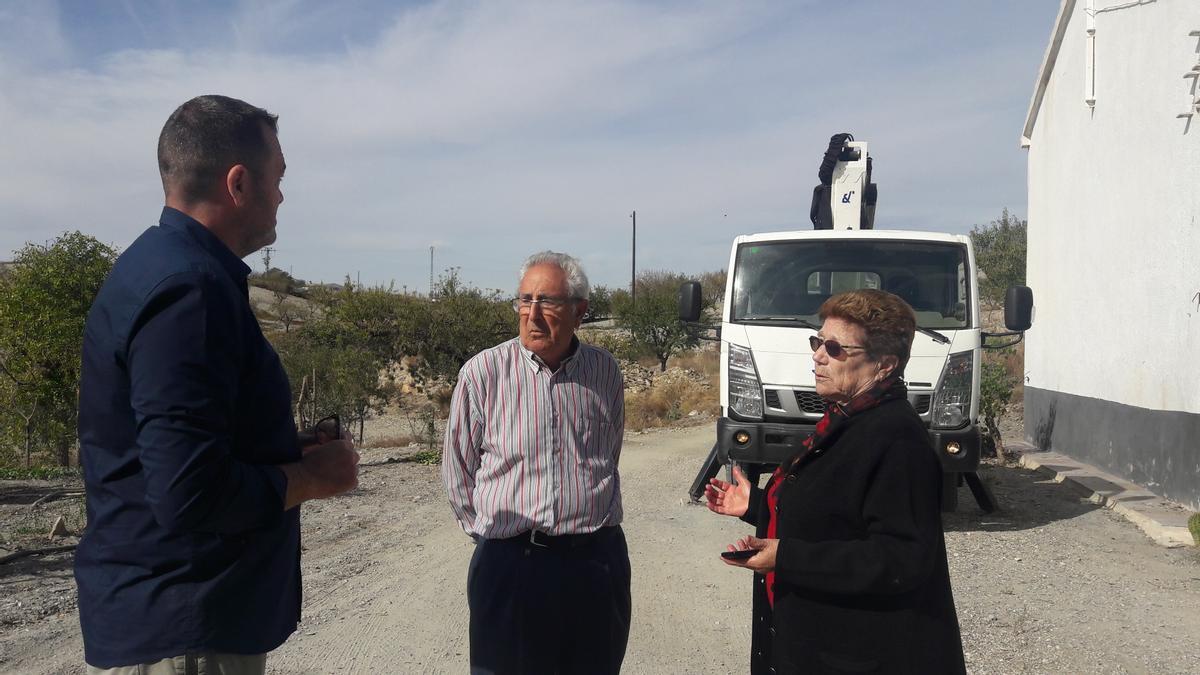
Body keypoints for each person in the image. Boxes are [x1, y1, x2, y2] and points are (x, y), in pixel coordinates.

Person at [75, 95, 360, 674]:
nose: (281, 196)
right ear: (238, 183)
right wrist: (310, 476)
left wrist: (277, 445)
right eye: (277, 178)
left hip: (178, 623)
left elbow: (181, 444)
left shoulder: (163, 266)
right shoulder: (190, 292)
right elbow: (188, 492)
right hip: (187, 634)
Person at [705, 289, 966, 674]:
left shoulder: (897, 439)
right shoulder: (847, 419)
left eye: (835, 348)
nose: (817, 355)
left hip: (862, 654)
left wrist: (785, 556)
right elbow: (835, 515)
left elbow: (902, 559)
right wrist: (757, 505)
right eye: (817, 341)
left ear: (885, 365)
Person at [441, 251, 630, 675]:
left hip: (597, 564)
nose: (533, 314)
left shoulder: (604, 372)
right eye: (525, 300)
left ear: (579, 311)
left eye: (548, 302)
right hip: (512, 568)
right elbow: (458, 472)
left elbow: (608, 453)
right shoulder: (483, 373)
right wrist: (497, 540)